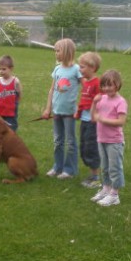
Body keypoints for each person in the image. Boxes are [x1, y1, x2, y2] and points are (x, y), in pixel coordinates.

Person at [42, 38, 82, 179]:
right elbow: (52, 89)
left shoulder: (77, 70)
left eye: (58, 51)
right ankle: (57, 167)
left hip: (70, 113)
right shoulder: (57, 69)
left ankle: (69, 170)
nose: (56, 54)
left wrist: (82, 107)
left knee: (70, 142)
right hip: (57, 112)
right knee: (58, 141)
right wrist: (48, 109)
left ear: (66, 51)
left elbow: (86, 88)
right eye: (55, 51)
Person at [90, 69, 128, 207]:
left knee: (114, 168)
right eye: (104, 85)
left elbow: (121, 121)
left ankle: (114, 195)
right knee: (104, 167)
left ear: (117, 84)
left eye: (110, 85)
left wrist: (103, 120)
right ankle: (106, 189)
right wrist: (94, 103)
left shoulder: (121, 101)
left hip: (114, 142)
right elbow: (93, 117)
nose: (106, 88)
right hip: (102, 139)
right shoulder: (102, 99)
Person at [76, 51, 102, 188]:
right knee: (84, 146)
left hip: (93, 122)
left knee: (91, 148)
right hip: (84, 121)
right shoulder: (86, 83)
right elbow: (83, 101)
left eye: (82, 67)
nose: (80, 70)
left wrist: (95, 116)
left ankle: (96, 178)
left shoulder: (97, 83)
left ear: (92, 68)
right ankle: (92, 175)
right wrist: (78, 113)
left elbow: (101, 102)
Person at [0, 55, 21, 132]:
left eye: (4, 69)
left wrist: (15, 105)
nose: (1, 71)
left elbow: (19, 95)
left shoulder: (15, 81)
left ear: (11, 69)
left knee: (10, 131)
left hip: (10, 113)